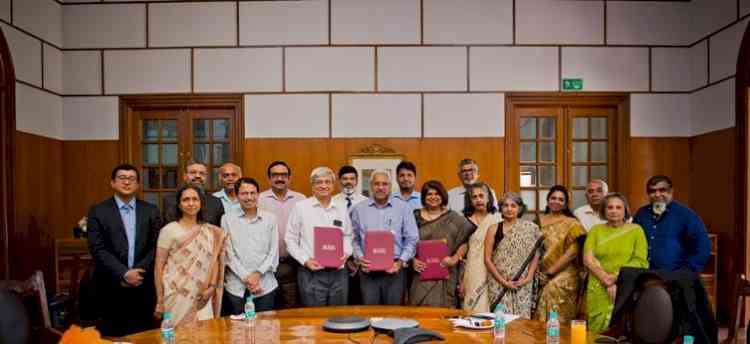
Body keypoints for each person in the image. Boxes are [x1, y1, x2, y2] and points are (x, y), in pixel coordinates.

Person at [86, 164, 162, 336]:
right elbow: (97, 248)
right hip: (110, 287)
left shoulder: (151, 211)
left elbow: (156, 246)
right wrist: (124, 273)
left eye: (131, 179)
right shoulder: (98, 211)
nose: (127, 182)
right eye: (122, 178)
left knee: (144, 336)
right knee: (112, 337)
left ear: (137, 185)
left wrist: (138, 273)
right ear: (112, 183)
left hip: (143, 287)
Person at [154, 185, 227, 326]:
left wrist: (212, 287)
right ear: (179, 205)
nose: (191, 203)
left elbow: (215, 261)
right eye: (186, 200)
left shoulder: (210, 231)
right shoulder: (168, 230)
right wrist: (159, 300)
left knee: (205, 336)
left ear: (201, 203)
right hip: (176, 294)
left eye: (195, 199)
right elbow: (158, 267)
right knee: (177, 337)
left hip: (203, 295)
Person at [285, 167, 353, 306]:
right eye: (319, 182)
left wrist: (346, 253)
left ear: (333, 185)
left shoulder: (341, 207)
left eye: (327, 182)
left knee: (338, 317)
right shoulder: (301, 207)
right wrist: (305, 260)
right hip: (311, 272)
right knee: (313, 319)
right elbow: (290, 239)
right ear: (312, 185)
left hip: (338, 273)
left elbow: (348, 235)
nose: (323, 186)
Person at [351, 170, 418, 305]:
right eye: (376, 184)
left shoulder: (403, 208)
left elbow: (412, 239)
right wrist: (359, 257)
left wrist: (400, 262)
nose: (380, 187)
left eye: (384, 184)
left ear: (390, 186)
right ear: (370, 186)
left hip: (395, 270)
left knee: (394, 316)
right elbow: (354, 239)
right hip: (368, 271)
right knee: (370, 314)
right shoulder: (358, 209)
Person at [584, 193, 648, 332]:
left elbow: (640, 260)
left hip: (625, 283)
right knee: (596, 330)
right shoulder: (596, 230)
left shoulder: (636, 230)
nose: (614, 211)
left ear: (625, 210)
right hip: (597, 284)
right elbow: (588, 259)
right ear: (604, 210)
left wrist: (615, 278)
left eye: (618, 207)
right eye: (610, 207)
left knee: (622, 327)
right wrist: (605, 279)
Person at [409, 180, 474, 308]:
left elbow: (465, 241)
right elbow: (406, 241)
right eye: (429, 194)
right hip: (420, 272)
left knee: (444, 314)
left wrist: (454, 259)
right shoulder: (414, 216)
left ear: (443, 195)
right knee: (420, 312)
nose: (433, 197)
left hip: (446, 272)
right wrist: (412, 260)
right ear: (423, 197)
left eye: (437, 193)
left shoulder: (454, 217)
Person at [222, 178, 278, 315]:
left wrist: (257, 274)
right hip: (236, 287)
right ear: (237, 195)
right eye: (244, 193)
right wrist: (247, 278)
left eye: (253, 193)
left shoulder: (270, 218)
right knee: (237, 331)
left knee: (265, 331)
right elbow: (229, 254)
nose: (249, 197)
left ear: (258, 195)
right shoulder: (227, 219)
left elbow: (273, 252)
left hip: (266, 285)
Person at [633, 175, 711, 272]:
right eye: (652, 191)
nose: (657, 194)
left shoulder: (686, 215)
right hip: (644, 275)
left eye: (662, 190)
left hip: (675, 277)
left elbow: (703, 246)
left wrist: (687, 272)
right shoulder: (641, 214)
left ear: (671, 191)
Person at [484, 192, 542, 319]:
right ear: (501, 208)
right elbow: (487, 259)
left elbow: (536, 254)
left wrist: (528, 278)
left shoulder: (530, 228)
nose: (509, 209)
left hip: (522, 283)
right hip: (498, 284)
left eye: (513, 205)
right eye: (505, 205)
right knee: (500, 320)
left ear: (520, 208)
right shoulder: (493, 229)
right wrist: (503, 281)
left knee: (522, 321)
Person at [534, 185, 586, 322]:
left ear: (566, 203)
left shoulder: (572, 223)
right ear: (548, 200)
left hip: (565, 272)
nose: (556, 201)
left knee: (551, 291)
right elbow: (534, 248)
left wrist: (550, 272)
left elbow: (573, 253)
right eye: (553, 198)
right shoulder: (539, 220)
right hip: (541, 272)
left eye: (561, 199)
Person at [258, 161, 306, 309]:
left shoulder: (301, 200)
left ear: (289, 178)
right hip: (266, 266)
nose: (280, 178)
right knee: (268, 309)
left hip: (294, 264)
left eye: (283, 175)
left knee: (291, 308)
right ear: (269, 178)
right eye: (275, 175)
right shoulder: (259, 199)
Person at [460, 182, 500, 313]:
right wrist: (460, 280)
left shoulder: (498, 219)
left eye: (481, 196)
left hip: (495, 270)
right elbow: (461, 250)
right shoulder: (464, 222)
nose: (478, 199)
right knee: (473, 308)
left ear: (488, 198)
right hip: (473, 270)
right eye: (474, 197)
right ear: (470, 200)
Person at [163, 161, 225, 226]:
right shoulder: (170, 200)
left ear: (206, 177)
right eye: (193, 172)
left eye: (202, 173)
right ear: (185, 176)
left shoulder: (216, 202)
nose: (197, 176)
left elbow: (219, 229)